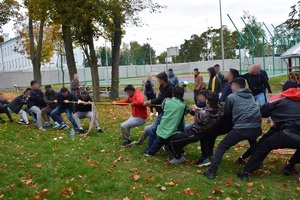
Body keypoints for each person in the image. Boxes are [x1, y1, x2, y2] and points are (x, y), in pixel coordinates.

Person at [237, 81, 300, 181]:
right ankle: (290, 165)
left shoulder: (280, 98)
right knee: (267, 139)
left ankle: (246, 171)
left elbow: (263, 111)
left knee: (263, 146)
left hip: (286, 133)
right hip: (286, 129)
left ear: (284, 90)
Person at [204, 77, 262, 179]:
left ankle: (212, 171)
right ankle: (256, 164)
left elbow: (226, 112)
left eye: (231, 85)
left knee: (222, 146)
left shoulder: (232, 97)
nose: (230, 87)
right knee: (254, 146)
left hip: (242, 127)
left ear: (236, 86)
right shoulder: (250, 96)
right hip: (256, 125)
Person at [168, 92, 223, 165]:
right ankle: (205, 158)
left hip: (195, 133)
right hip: (206, 131)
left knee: (172, 140)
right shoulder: (220, 109)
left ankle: (178, 157)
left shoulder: (202, 113)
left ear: (207, 101)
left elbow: (198, 115)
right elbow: (206, 112)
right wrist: (198, 109)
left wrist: (194, 110)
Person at [144, 87, 190, 158]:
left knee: (159, 140)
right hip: (174, 130)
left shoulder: (166, 101)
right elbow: (186, 111)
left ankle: (149, 153)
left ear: (173, 93)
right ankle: (176, 151)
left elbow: (162, 107)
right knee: (173, 141)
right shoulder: (183, 105)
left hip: (163, 126)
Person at [143, 72, 175, 153]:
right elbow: (160, 98)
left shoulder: (171, 88)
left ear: (163, 80)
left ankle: (170, 147)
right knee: (153, 129)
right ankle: (150, 148)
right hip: (162, 112)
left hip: (169, 114)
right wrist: (150, 101)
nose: (157, 81)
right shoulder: (161, 87)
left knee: (167, 132)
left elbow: (174, 100)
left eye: (158, 80)